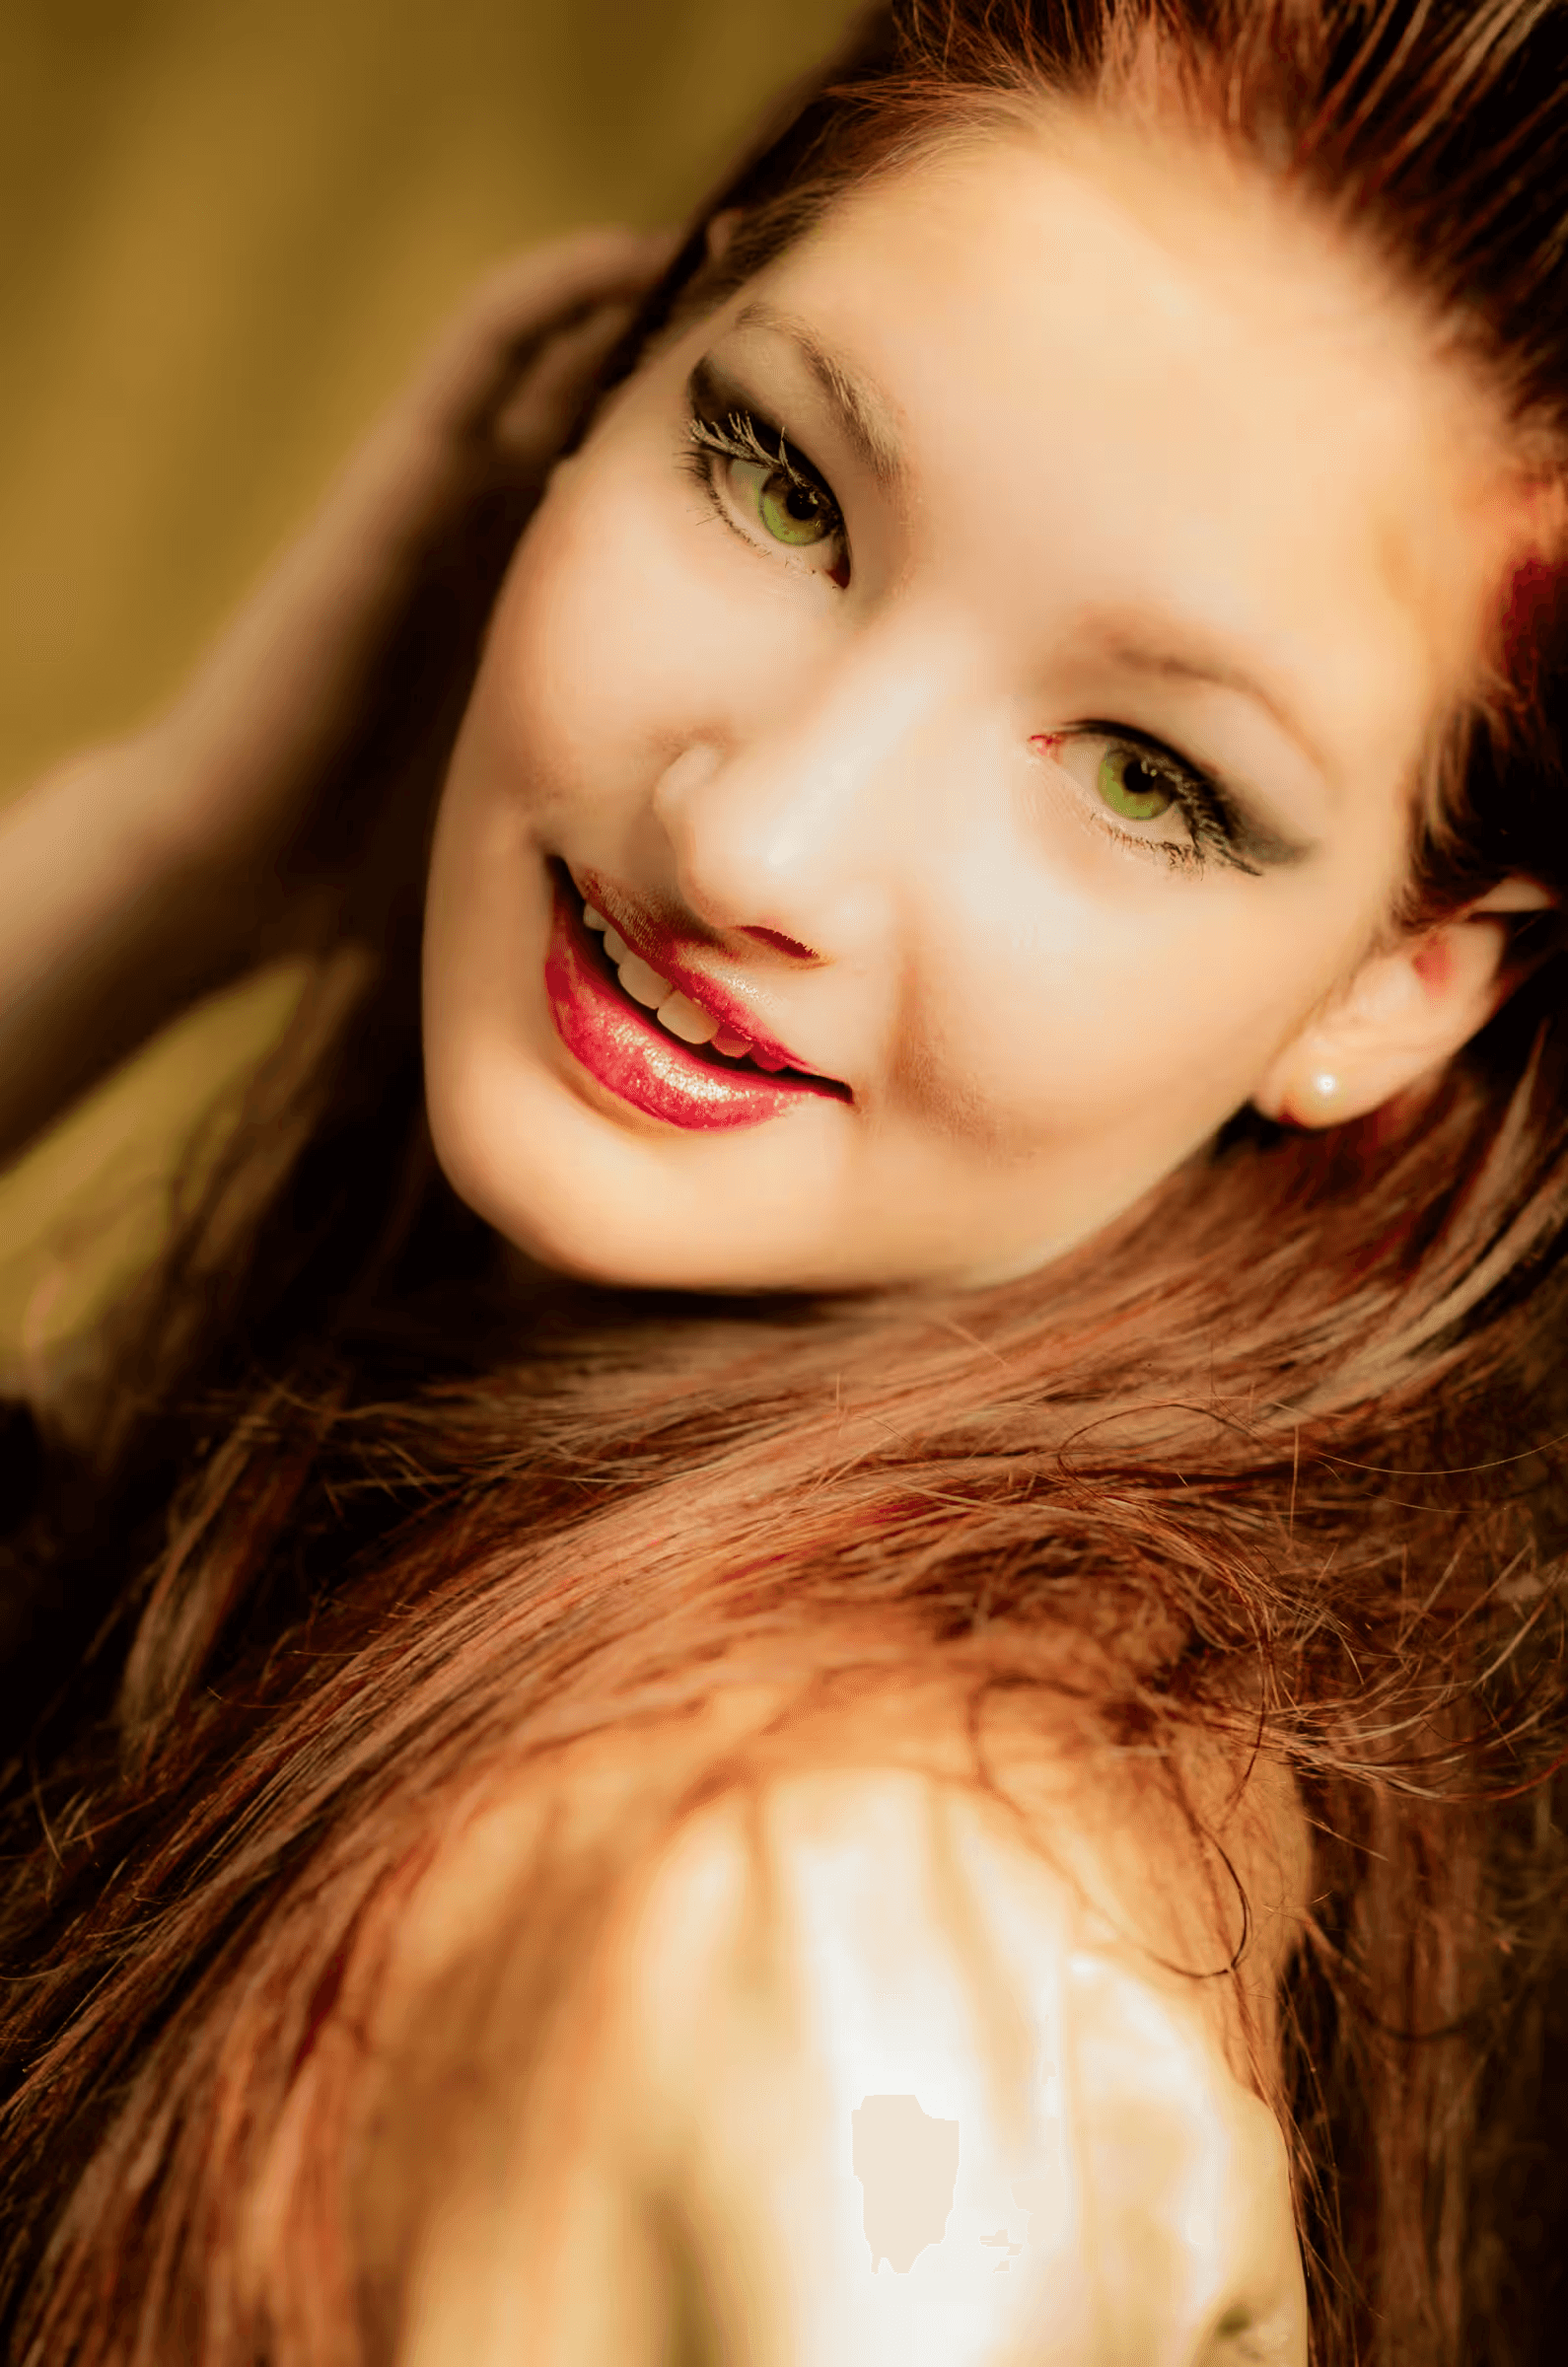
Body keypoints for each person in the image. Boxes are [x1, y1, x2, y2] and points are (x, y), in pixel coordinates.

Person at [1, 0, 1567, 2358]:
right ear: (591, 393)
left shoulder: (811, 1945)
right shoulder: (601, 1586)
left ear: (1402, 986)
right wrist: (177, 858)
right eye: (778, 482)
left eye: (1146, 778)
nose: (753, 834)